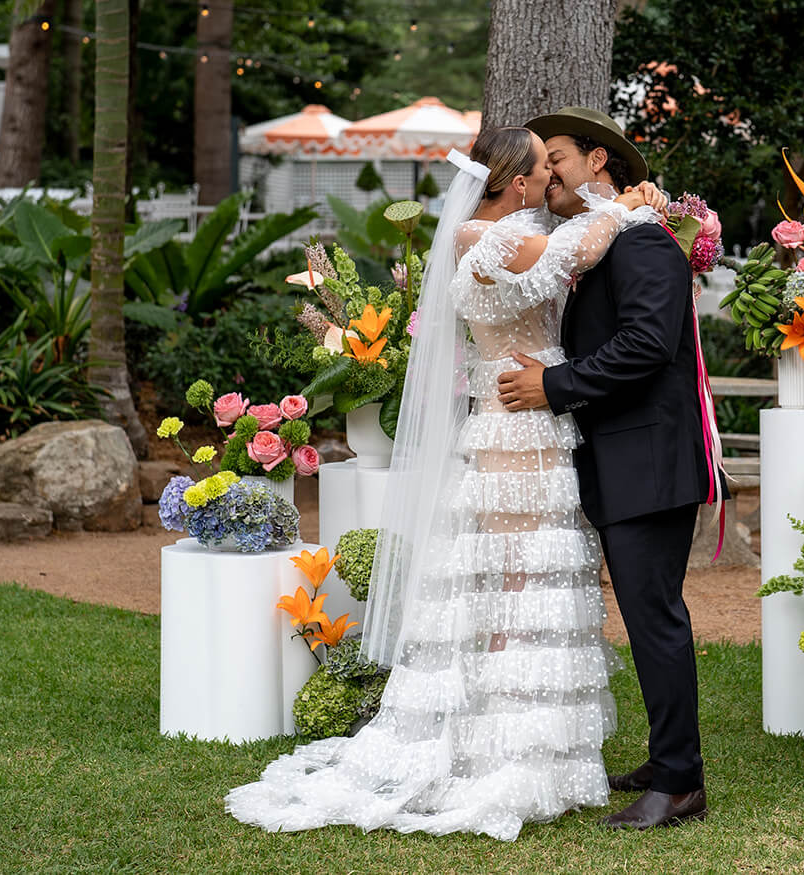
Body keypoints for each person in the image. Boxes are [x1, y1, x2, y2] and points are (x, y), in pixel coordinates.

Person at [226, 126, 665, 842]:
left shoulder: (501, 234)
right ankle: (508, 753)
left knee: (524, 582)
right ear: (517, 183)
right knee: (520, 583)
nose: (551, 178)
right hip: (516, 432)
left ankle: (530, 747)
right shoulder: (481, 239)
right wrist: (625, 207)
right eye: (542, 167)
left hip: (533, 422)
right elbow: (578, 252)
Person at [497, 106, 720, 830]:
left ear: (598, 160)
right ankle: (665, 758)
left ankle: (680, 783)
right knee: (647, 614)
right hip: (623, 461)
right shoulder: (603, 239)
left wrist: (553, 386)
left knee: (655, 619)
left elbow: (647, 344)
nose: (549, 173)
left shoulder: (644, 240)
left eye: (557, 157)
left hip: (649, 462)